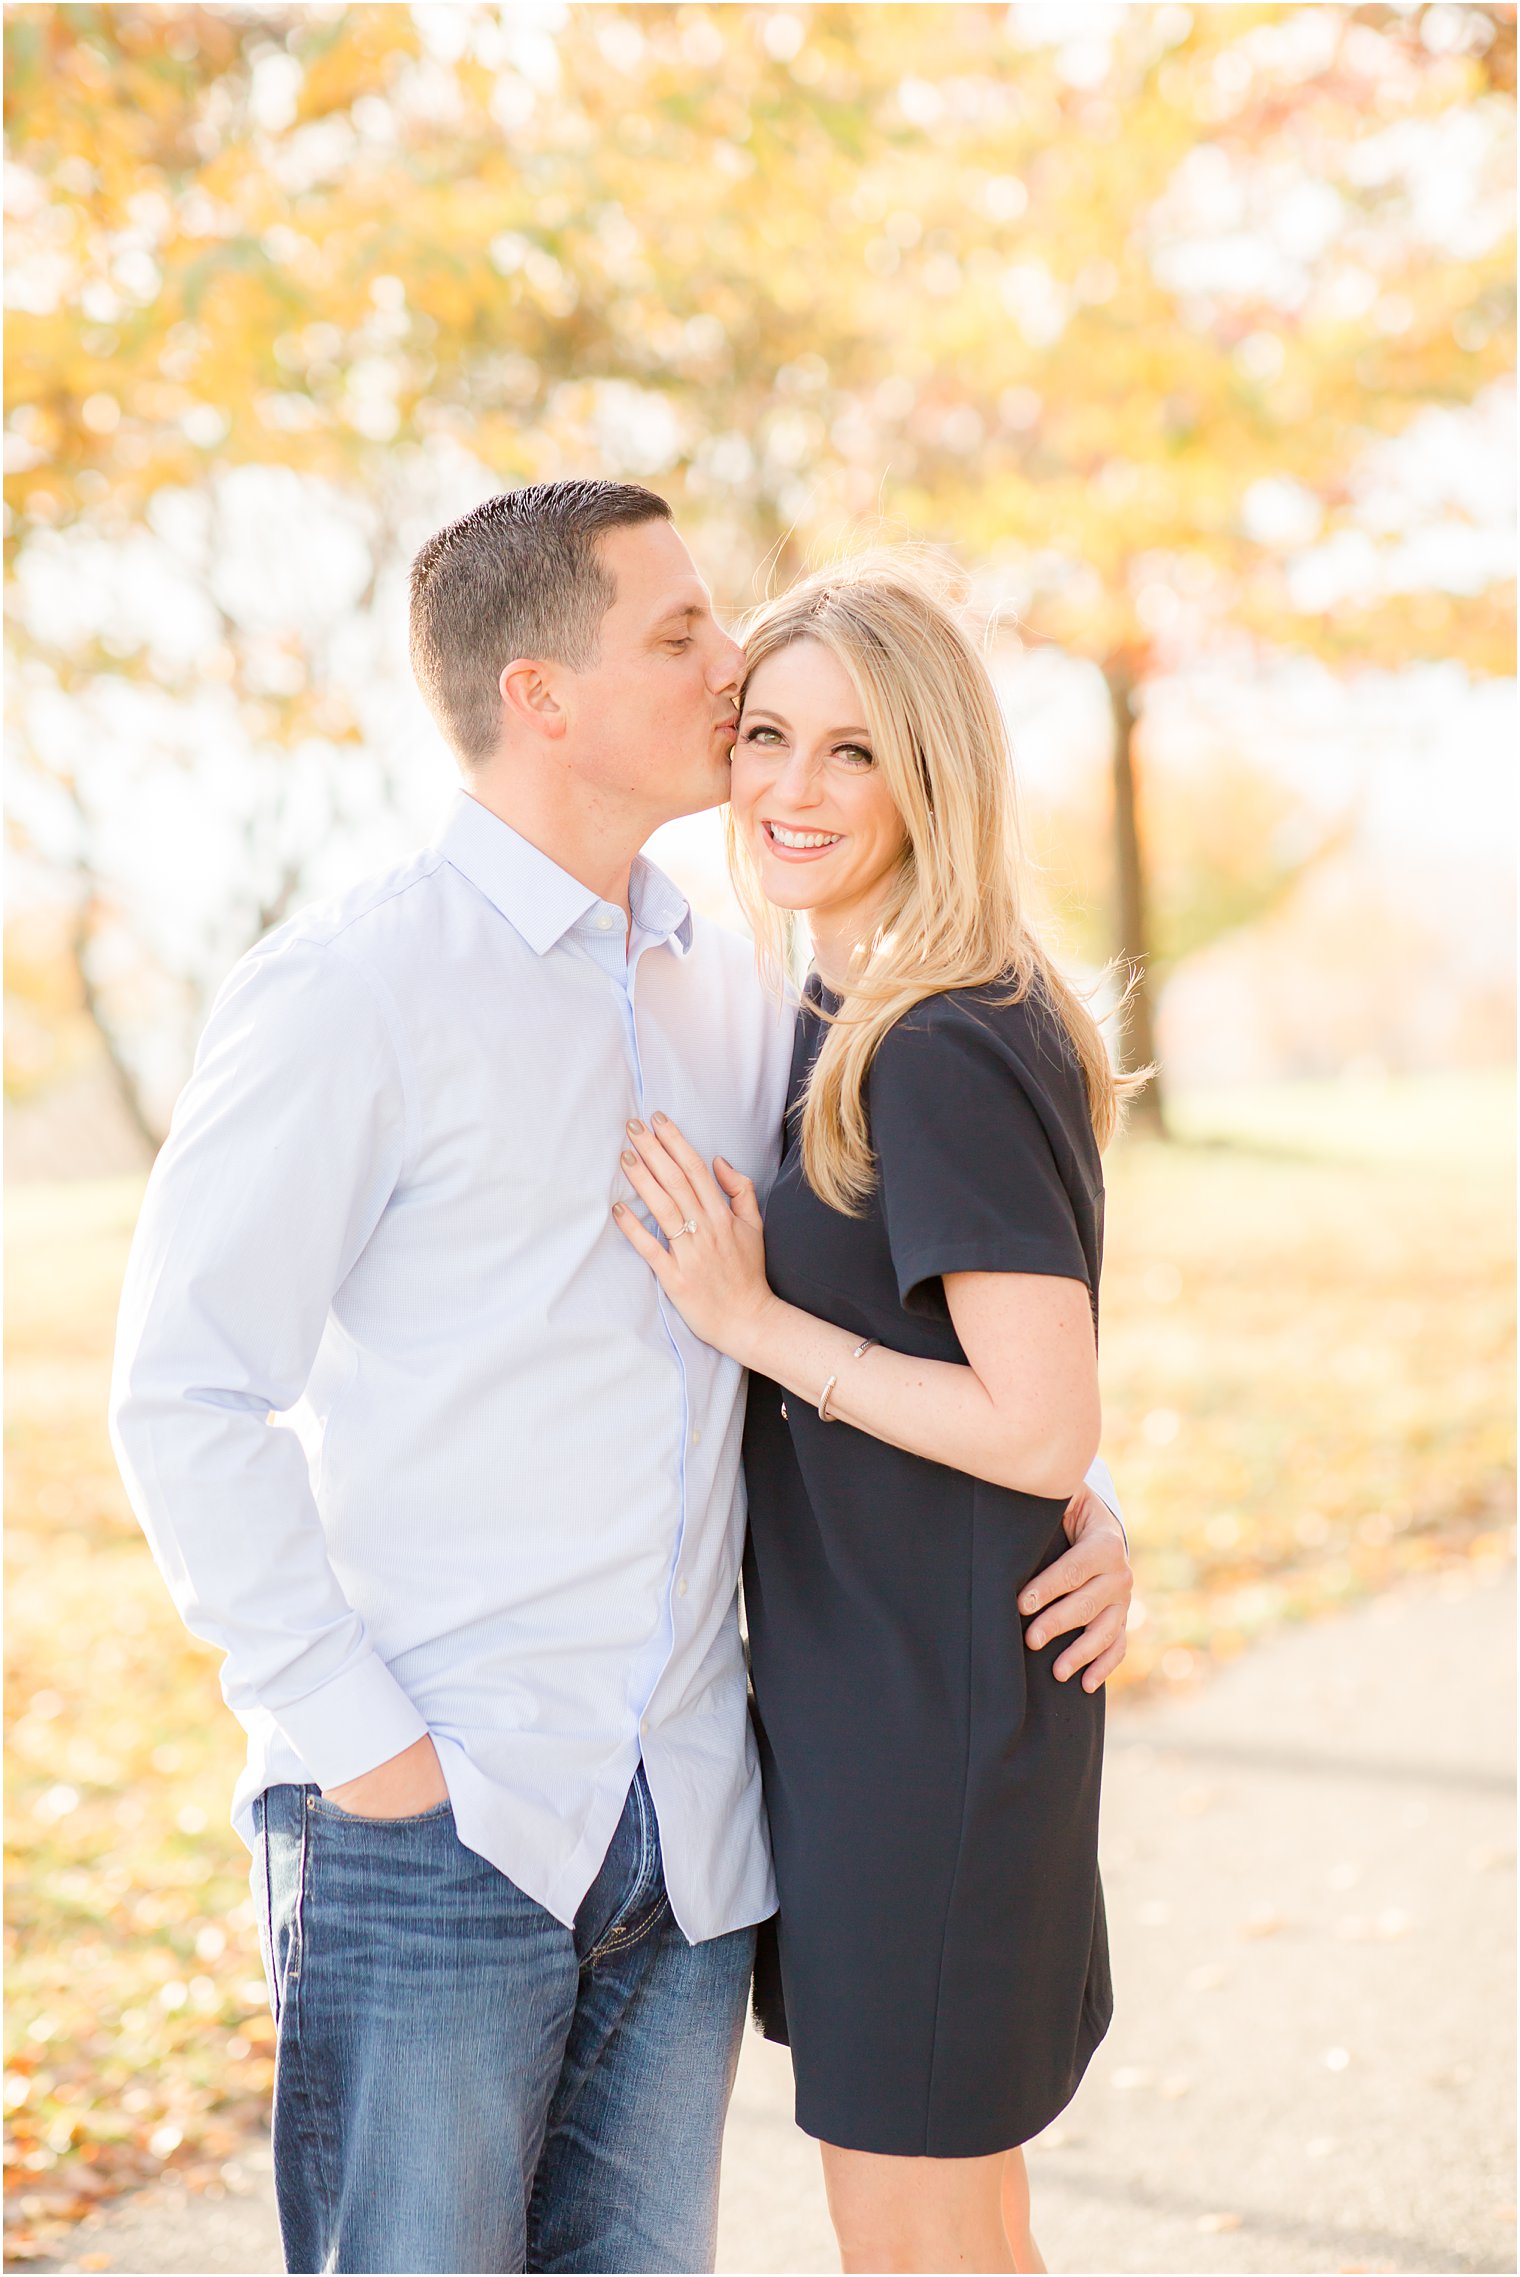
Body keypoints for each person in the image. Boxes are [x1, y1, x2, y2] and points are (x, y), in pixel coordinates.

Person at [109, 482, 1132, 2276]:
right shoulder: (355, 987)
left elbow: (904, 1304)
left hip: (691, 1826)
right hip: (439, 1815)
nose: (730, 668)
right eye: (681, 636)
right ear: (542, 695)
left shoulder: (737, 988)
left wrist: (1070, 1495)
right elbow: (184, 1397)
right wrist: (366, 1754)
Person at [613, 555, 1141, 2276]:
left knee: (916, 2239)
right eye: (767, 735)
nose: (792, 787)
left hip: (930, 1731)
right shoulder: (843, 1015)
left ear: (935, 772)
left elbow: (1039, 1421)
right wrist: (1086, 1503)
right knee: (964, 2228)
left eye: (853, 751)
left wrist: (752, 1321)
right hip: (893, 1705)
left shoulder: (937, 1033)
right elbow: (1042, 1412)